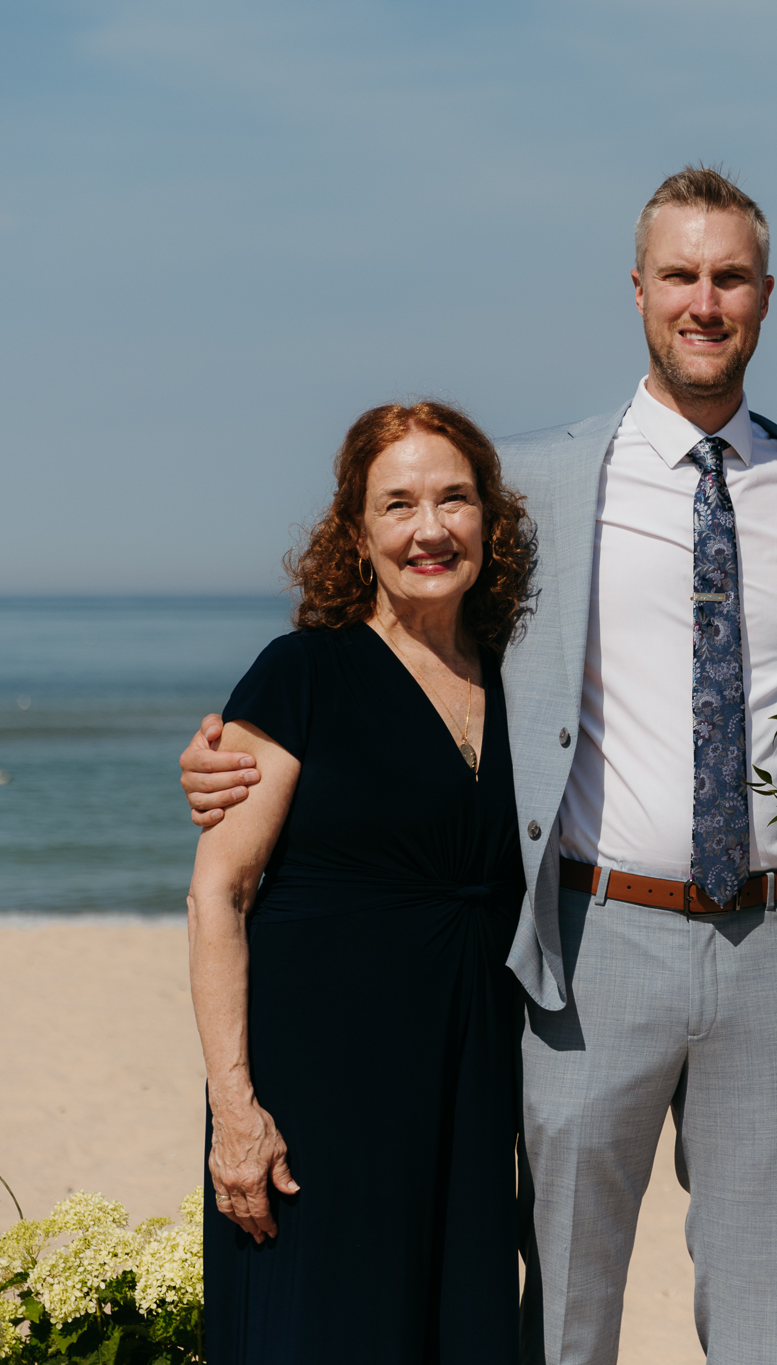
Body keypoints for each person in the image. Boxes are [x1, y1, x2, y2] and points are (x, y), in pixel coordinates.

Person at [181, 167, 777, 1365]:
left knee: (766, 1322)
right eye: (678, 276)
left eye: (728, 277)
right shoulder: (536, 485)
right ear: (638, 291)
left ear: (765, 294)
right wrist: (226, 750)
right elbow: (401, 625)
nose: (703, 301)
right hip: (593, 948)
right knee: (558, 1315)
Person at [185, 401, 533, 1362]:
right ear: (356, 529)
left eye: (455, 498)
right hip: (320, 1100)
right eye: (400, 504)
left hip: (471, 1089)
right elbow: (218, 893)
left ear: (488, 520)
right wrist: (235, 1110)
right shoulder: (303, 673)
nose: (431, 529)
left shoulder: (520, 682)